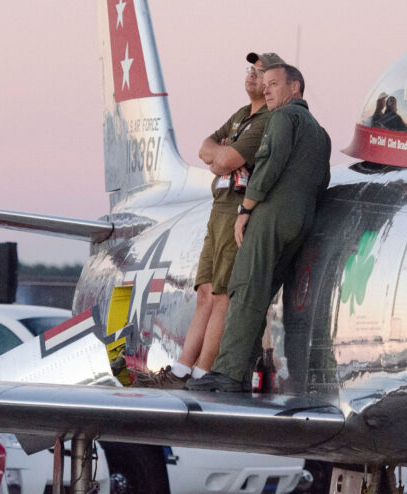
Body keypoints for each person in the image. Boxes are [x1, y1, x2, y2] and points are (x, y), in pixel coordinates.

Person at [134, 51, 284, 389]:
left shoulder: (267, 121)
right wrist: (222, 158)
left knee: (221, 295)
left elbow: (225, 157)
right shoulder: (242, 115)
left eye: (260, 73)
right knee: (204, 290)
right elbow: (205, 148)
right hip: (218, 208)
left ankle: (202, 373)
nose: (251, 77)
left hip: (236, 210)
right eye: (249, 70)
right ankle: (182, 369)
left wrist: (223, 156)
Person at [188, 63, 331, 392]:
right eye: (264, 84)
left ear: (295, 88)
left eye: (274, 84)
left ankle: (228, 374)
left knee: (246, 288)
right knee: (265, 292)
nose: (266, 90)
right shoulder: (320, 132)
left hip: (272, 214)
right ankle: (249, 365)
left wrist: (246, 208)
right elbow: (322, 179)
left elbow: (269, 164)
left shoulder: (283, 118)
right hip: (303, 216)